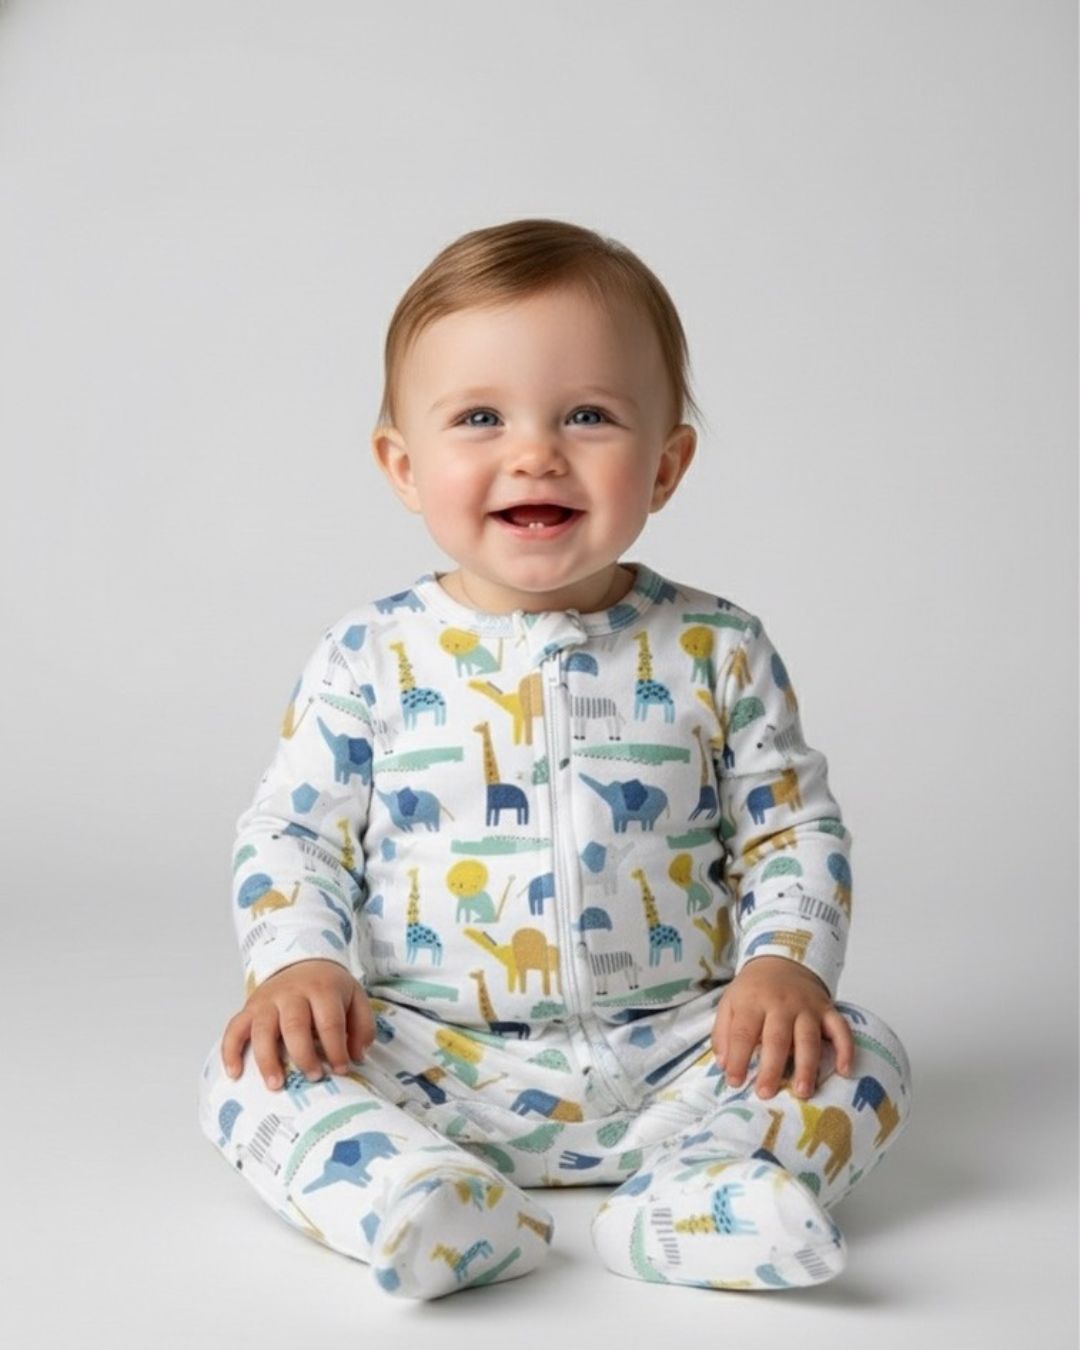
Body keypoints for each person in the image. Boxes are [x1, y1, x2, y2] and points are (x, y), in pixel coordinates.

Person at [196, 217, 913, 1300]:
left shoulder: (718, 648)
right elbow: (296, 834)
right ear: (404, 466)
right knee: (244, 1074)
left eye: (587, 415)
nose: (534, 452)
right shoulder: (368, 655)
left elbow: (791, 830)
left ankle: (703, 1194)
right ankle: (422, 1195)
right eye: (479, 417)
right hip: (434, 1058)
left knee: (861, 1051)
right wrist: (299, 966)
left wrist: (784, 968)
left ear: (665, 464)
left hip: (682, 1048)